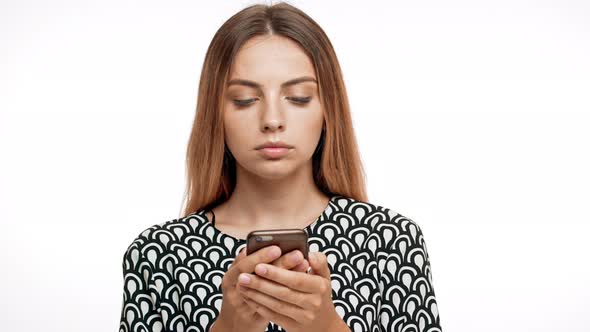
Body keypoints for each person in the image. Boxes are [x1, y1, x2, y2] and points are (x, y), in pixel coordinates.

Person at [119, 2, 442, 332]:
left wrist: (327, 328)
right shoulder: (159, 255)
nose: (272, 120)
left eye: (299, 97)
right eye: (245, 99)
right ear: (215, 114)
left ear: (328, 109)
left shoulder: (389, 242)